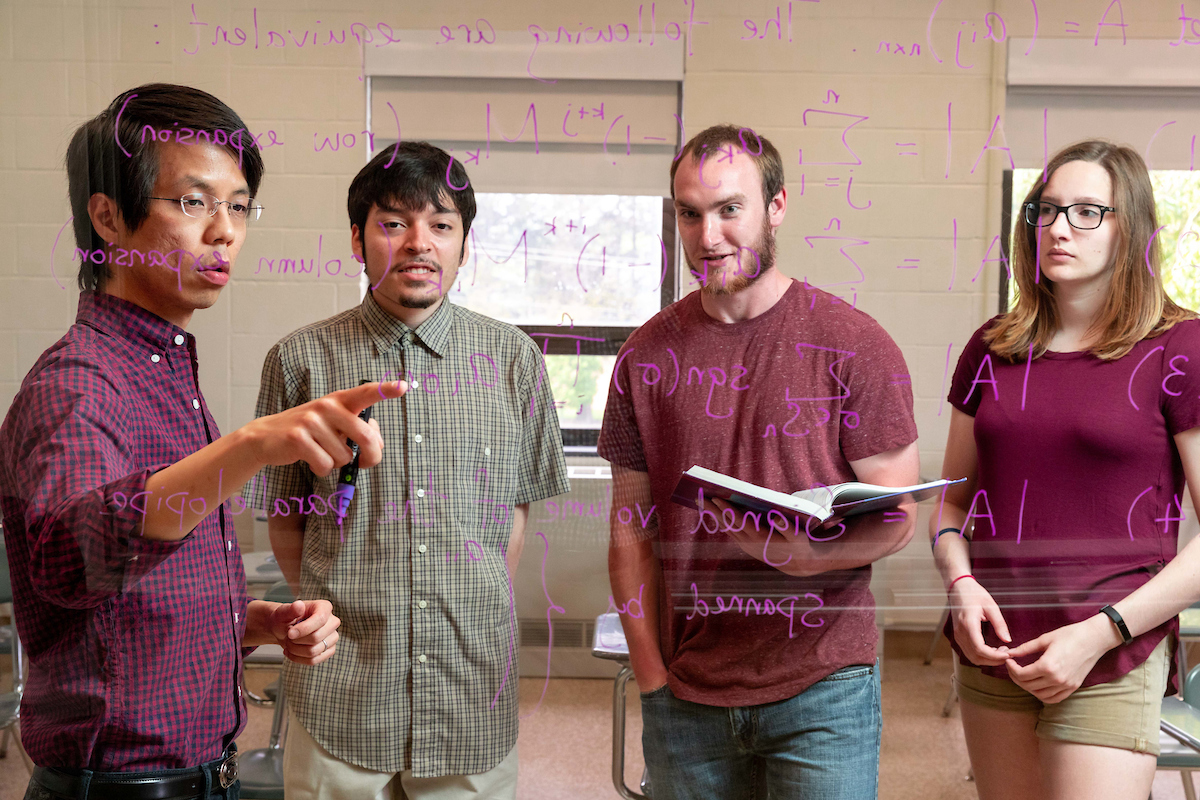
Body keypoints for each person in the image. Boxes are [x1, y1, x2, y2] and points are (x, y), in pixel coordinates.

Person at [0, 84, 404, 800]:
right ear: (108, 218)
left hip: (199, 774)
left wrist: (254, 622)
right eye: (193, 202)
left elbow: (134, 605)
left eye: (239, 205)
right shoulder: (78, 382)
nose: (224, 231)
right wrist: (250, 447)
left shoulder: (164, 371)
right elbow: (73, 558)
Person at [599, 124, 921, 799]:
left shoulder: (855, 345)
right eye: (689, 213)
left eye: (729, 210)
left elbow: (898, 517)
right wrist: (651, 677)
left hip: (823, 686)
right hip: (687, 687)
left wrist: (810, 557)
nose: (707, 235)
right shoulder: (645, 355)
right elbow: (630, 534)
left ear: (776, 207)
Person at [253, 141, 570, 800]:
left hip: (470, 691)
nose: (419, 243)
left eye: (442, 225)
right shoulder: (298, 361)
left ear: (463, 243)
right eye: (394, 222)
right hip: (342, 693)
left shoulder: (515, 361)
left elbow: (511, 518)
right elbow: (285, 518)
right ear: (357, 237)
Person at [933, 139, 1200, 800]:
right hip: (995, 646)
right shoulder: (992, 347)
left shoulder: (1181, 346)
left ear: (1130, 227)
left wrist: (1100, 633)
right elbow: (950, 508)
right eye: (1047, 210)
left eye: (1087, 212)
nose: (1057, 228)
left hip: (1110, 652)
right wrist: (960, 583)